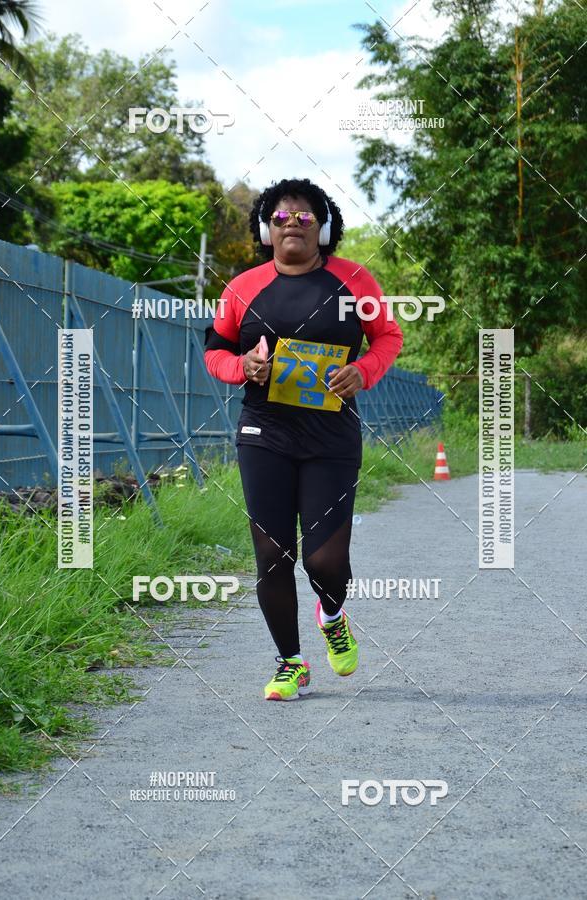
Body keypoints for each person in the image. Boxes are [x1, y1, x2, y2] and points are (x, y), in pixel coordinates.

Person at [204, 177, 403, 700]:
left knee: (324, 561)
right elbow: (215, 350)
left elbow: (388, 337)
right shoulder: (242, 288)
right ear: (266, 230)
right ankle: (290, 662)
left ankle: (332, 613)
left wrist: (363, 371)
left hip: (331, 435)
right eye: (280, 216)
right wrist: (242, 367)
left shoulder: (356, 281)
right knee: (272, 556)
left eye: (305, 216)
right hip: (264, 431)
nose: (292, 222)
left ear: (325, 226)